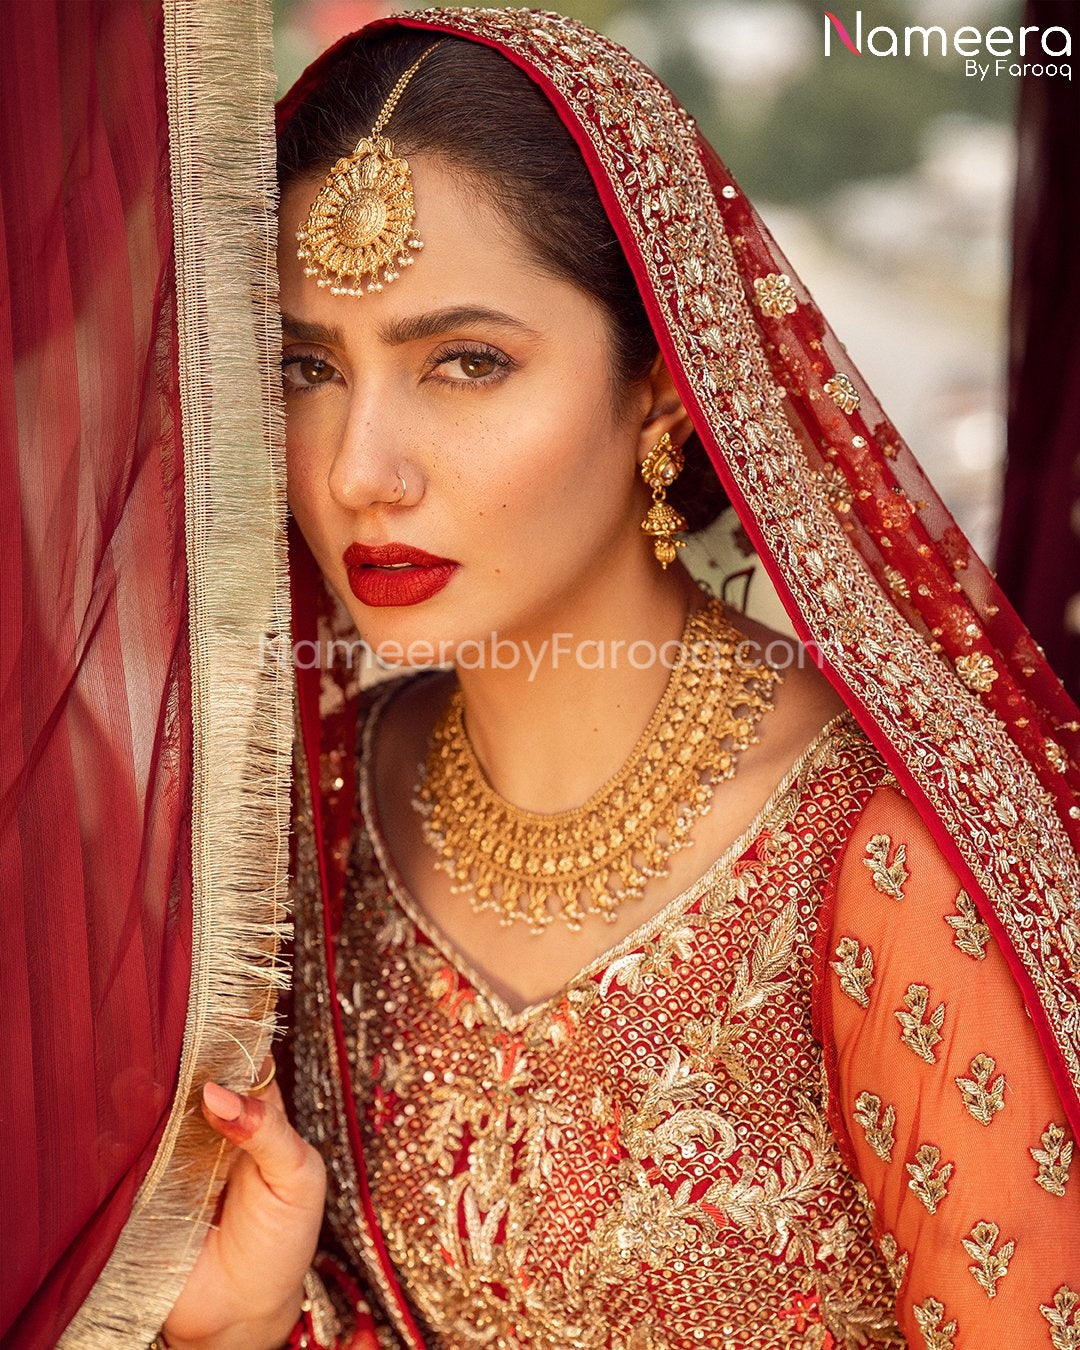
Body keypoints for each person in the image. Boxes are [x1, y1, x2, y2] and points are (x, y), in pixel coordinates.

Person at [161, 9, 1080, 1349]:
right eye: (309, 367)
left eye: (466, 362)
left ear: (663, 384)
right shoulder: (314, 816)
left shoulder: (886, 864)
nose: (360, 469)